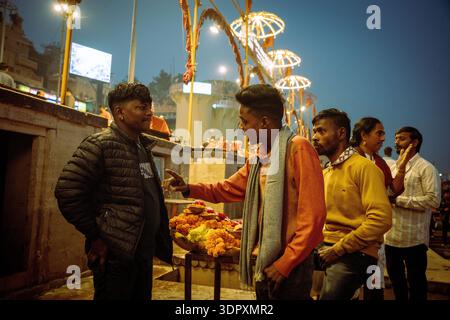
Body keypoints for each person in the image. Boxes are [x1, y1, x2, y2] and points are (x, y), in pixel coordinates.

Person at [164, 84, 327, 300]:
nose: (241, 127)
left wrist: (286, 262)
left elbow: (313, 217)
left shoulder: (298, 148)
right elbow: (228, 188)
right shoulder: (259, 157)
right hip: (263, 260)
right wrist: (189, 188)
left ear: (264, 122)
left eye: (245, 121)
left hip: (293, 265)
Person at [54, 83, 173, 300]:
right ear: (119, 112)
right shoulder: (100, 145)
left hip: (142, 256)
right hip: (116, 257)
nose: (149, 113)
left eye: (149, 107)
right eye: (141, 108)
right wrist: (97, 236)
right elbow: (67, 192)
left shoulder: (143, 146)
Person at [311, 108, 392, 300]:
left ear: (341, 133)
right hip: (326, 245)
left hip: (356, 251)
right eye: (314, 131)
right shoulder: (326, 172)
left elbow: (381, 220)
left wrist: (338, 249)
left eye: (321, 131)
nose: (315, 137)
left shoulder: (364, 168)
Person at [350, 117, 414, 300]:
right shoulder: (350, 158)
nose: (383, 138)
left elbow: (393, 190)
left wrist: (401, 165)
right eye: (379, 133)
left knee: (374, 281)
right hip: (351, 233)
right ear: (363, 135)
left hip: (374, 236)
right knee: (349, 286)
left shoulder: (378, 161)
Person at [384, 126, 441, 300]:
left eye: (401, 138)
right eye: (395, 138)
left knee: (416, 283)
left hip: (414, 238)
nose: (396, 142)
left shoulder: (426, 168)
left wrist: (399, 201)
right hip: (391, 237)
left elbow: (433, 200)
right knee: (396, 281)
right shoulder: (394, 167)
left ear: (414, 142)